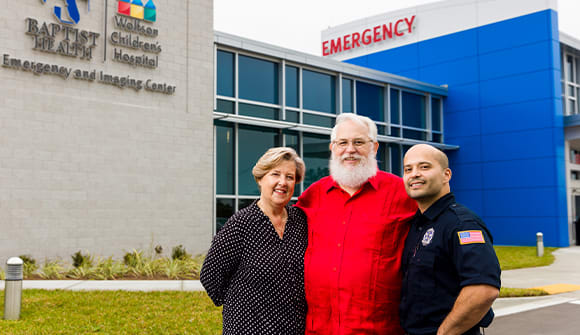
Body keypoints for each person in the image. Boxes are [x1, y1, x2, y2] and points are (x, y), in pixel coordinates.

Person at [296, 113, 417, 334]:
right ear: (333, 147)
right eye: (343, 142)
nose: (350, 149)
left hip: (380, 328)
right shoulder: (314, 195)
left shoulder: (402, 193)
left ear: (374, 147)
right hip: (320, 328)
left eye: (359, 142)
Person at [200, 147, 308, 334]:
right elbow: (210, 276)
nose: (282, 182)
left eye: (289, 177)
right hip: (249, 328)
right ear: (260, 178)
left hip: (293, 328)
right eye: (275, 174)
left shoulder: (300, 221)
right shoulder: (241, 223)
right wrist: (243, 302)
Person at [399, 144, 501, 335]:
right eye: (408, 169)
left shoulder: (462, 224)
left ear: (446, 175)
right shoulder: (417, 225)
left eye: (424, 167)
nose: (414, 174)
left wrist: (445, 333)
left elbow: (483, 289)